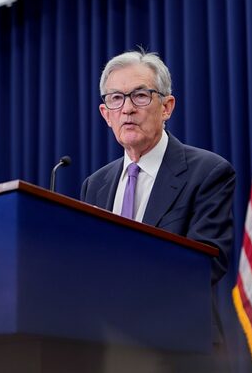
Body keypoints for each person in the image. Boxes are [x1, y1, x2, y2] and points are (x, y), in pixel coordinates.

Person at [80, 50, 235, 287]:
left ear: (166, 107)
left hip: (175, 322)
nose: (127, 108)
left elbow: (206, 265)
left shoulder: (208, 172)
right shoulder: (95, 185)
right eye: (116, 98)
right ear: (106, 114)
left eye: (140, 95)